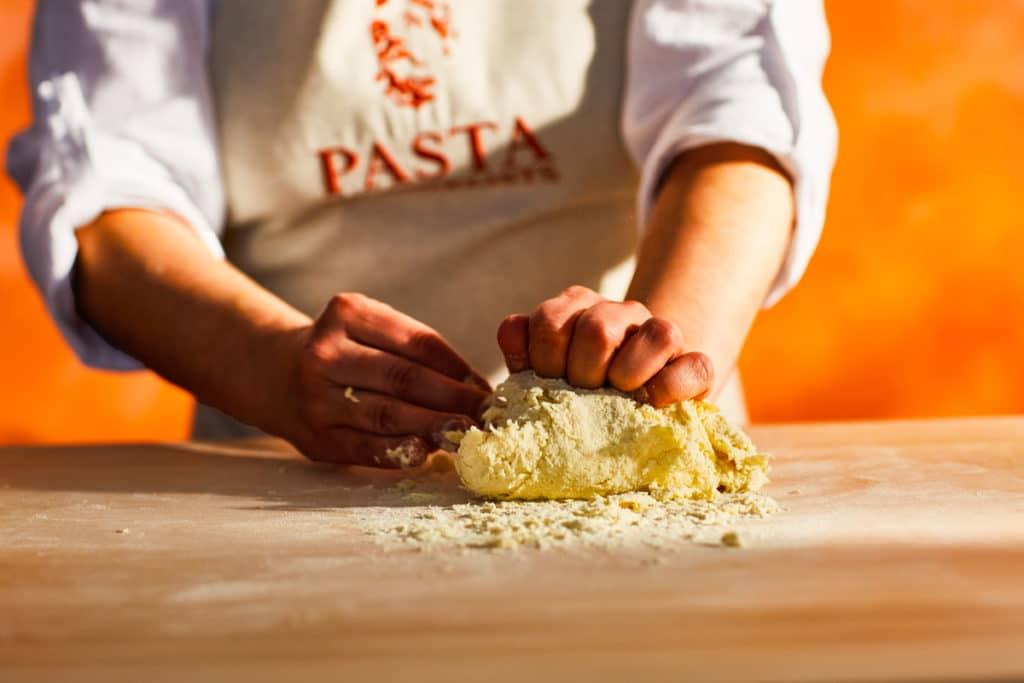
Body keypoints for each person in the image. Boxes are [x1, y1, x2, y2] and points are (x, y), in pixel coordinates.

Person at [7, 0, 836, 468]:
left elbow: (737, 121)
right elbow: (110, 191)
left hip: (636, 471)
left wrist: (658, 352)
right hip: (282, 480)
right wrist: (269, 362)